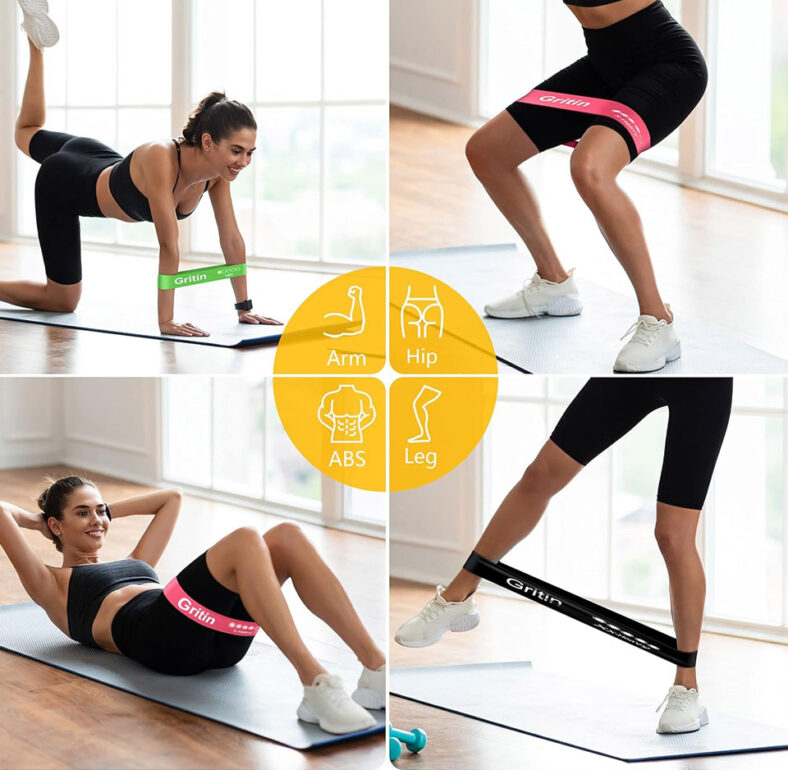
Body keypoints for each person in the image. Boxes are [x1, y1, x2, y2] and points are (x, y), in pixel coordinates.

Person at [395, 378, 733, 734]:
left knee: (672, 534)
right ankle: (457, 597)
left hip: (703, 388)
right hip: (639, 380)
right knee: (539, 474)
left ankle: (687, 687)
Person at [0, 477, 386, 734]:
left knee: (286, 536)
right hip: (163, 640)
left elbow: (171, 498)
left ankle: (374, 667)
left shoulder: (138, 561)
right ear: (56, 526)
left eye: (99, 511)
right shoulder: (52, 584)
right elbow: (2, 512)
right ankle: (315, 682)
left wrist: (99, 511)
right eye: (82, 513)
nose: (97, 520)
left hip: (219, 640)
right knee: (245, 538)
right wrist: (38, 521)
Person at [4, 0, 280, 338]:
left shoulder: (216, 176)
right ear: (208, 142)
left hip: (94, 156)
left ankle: (35, 43)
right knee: (63, 300)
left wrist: (245, 308)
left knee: (24, 133)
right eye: (237, 151)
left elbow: (232, 238)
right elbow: (168, 244)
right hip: (64, 182)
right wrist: (166, 321)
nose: (244, 162)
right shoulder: (161, 157)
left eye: (250, 153)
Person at [466, 0, 707, 372]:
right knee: (487, 152)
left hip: (668, 66)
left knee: (590, 168)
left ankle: (658, 321)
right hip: (605, 64)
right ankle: (553, 282)